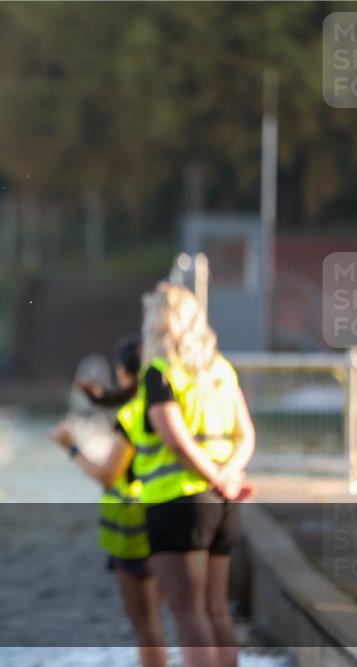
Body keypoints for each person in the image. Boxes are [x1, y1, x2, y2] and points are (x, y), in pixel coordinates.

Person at [133, 282, 256, 667]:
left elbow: (177, 441)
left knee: (189, 614)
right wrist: (228, 477)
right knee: (217, 612)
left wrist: (215, 478)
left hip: (178, 502)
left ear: (159, 323)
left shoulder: (160, 373)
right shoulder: (221, 369)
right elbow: (246, 434)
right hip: (223, 503)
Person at [51, 336, 168, 667]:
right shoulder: (167, 407)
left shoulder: (132, 416)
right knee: (177, 620)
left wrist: (71, 447)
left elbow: (107, 475)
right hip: (167, 519)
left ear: (122, 371)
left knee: (146, 627)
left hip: (133, 534)